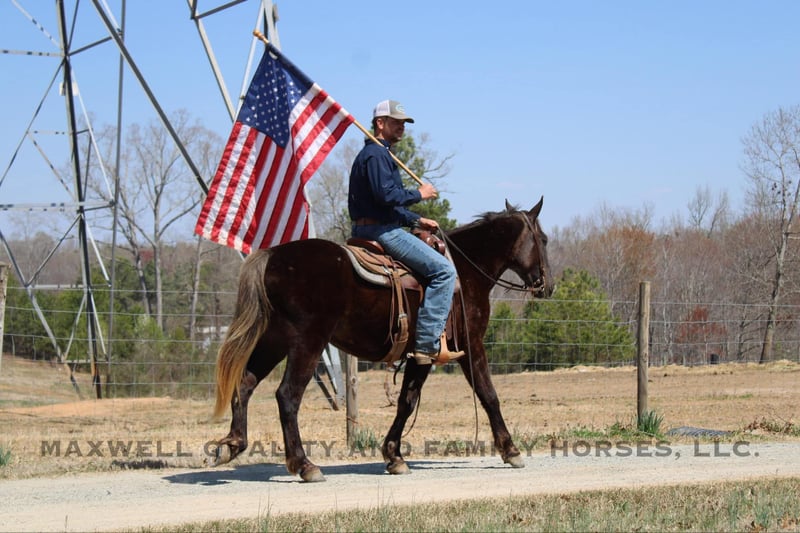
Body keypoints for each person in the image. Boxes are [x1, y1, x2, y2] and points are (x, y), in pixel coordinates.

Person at [348, 99, 464, 365]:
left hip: (373, 225)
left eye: (404, 123)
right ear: (380, 123)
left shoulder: (378, 154)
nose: (402, 127)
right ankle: (427, 344)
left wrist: (416, 219)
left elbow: (386, 206)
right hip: (383, 231)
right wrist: (419, 194)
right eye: (396, 122)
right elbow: (387, 196)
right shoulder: (377, 155)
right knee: (444, 272)